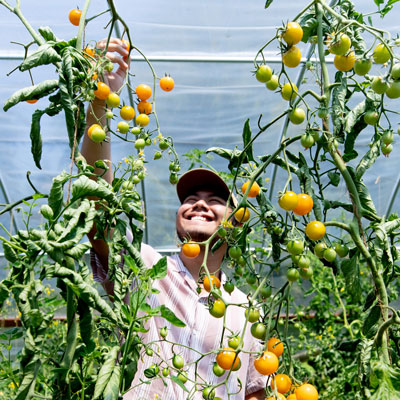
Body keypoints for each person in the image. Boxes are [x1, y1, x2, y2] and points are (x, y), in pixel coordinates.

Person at [81, 38, 267, 400]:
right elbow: (99, 209)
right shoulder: (147, 270)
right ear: (178, 220)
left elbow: (254, 391)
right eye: (190, 200)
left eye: (215, 201)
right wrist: (99, 100)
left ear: (236, 223)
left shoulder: (246, 308)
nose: (199, 204)